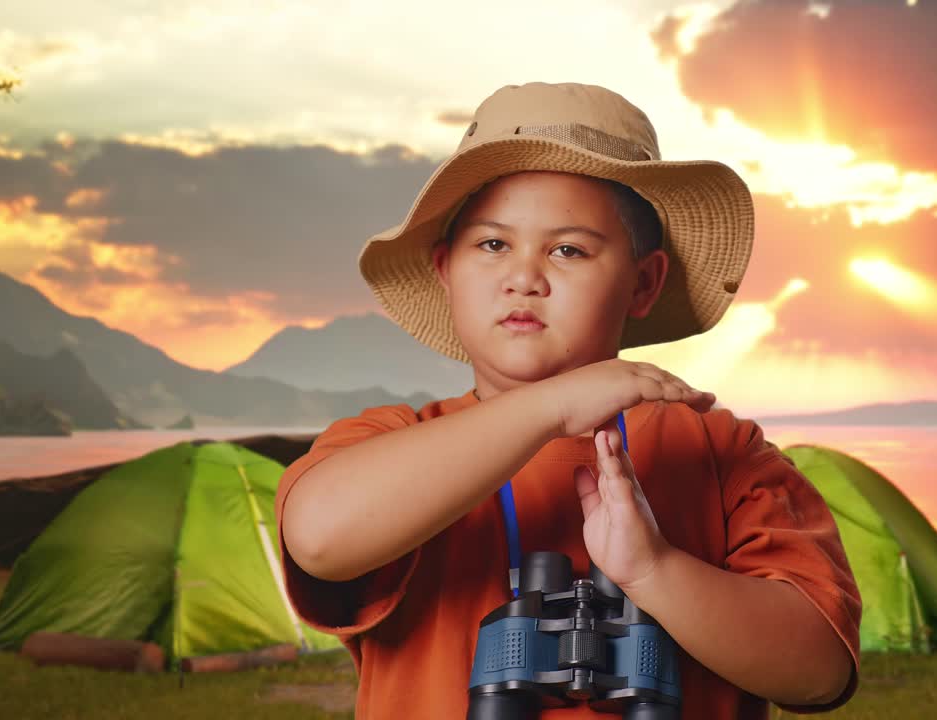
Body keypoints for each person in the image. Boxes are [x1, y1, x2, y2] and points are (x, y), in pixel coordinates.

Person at [276, 81, 862, 718]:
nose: (524, 277)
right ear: (446, 271)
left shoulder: (721, 451)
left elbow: (818, 673)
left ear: (644, 283)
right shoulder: (387, 444)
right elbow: (320, 538)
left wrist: (653, 572)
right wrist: (551, 407)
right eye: (493, 244)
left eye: (568, 249)